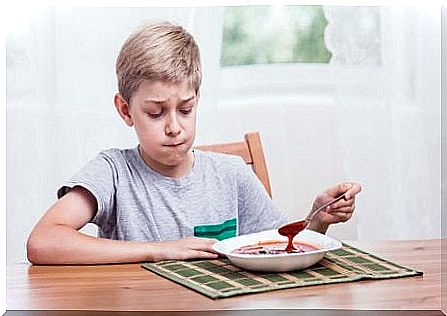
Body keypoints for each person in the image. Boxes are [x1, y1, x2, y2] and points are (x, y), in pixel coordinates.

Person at [26, 21, 362, 265]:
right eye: (156, 113)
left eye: (185, 109)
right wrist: (160, 249)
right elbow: (43, 241)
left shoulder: (231, 175)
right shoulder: (113, 172)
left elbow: (280, 246)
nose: (174, 127)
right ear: (125, 110)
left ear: (197, 99)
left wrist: (318, 219)